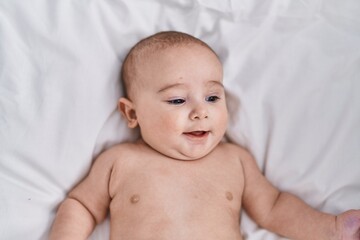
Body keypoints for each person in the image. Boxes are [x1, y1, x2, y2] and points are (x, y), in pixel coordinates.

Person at [49, 31, 360, 240]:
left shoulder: (234, 159)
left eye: (212, 97)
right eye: (177, 100)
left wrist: (330, 228)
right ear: (132, 114)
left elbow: (274, 207)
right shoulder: (119, 161)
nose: (201, 112)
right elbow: (82, 206)